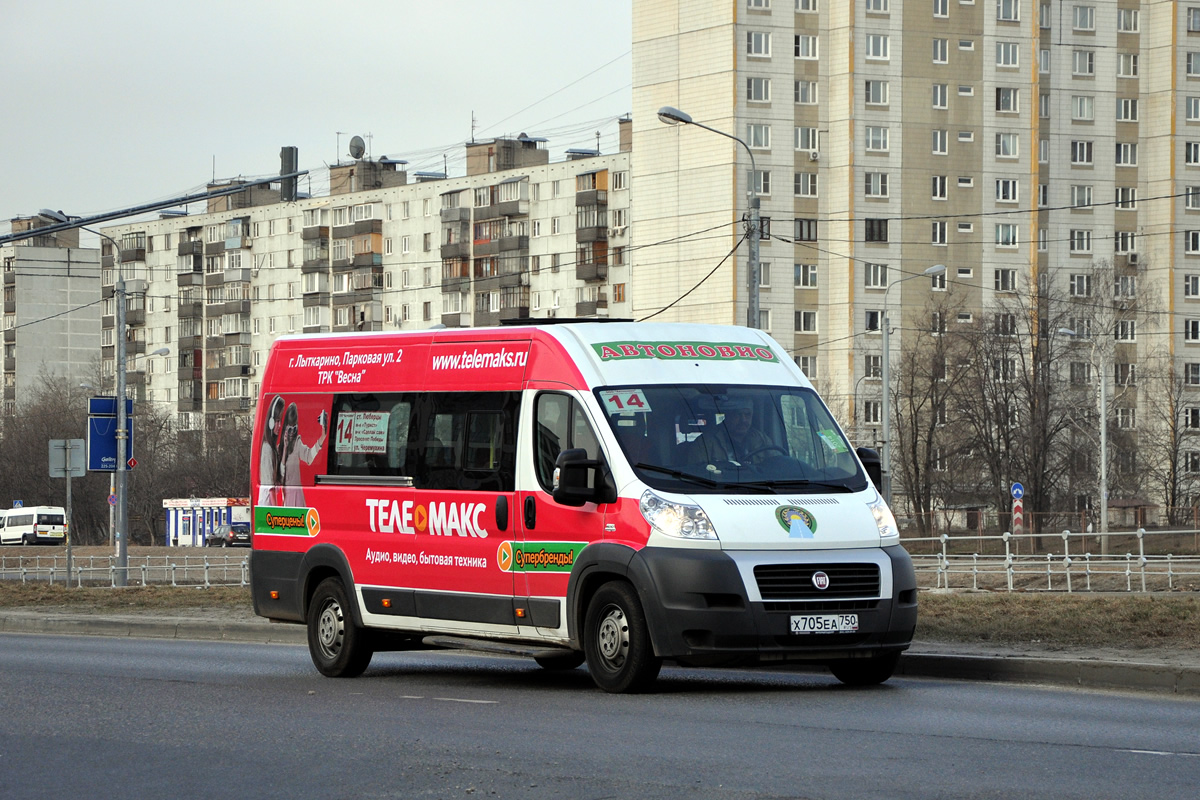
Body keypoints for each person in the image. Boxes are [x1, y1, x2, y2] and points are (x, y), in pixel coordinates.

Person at [690, 397, 773, 466]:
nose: (743, 420)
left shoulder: (762, 440)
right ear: (727, 415)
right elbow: (697, 476)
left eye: (747, 414)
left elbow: (776, 467)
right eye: (737, 414)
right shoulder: (705, 443)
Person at [274, 403, 328, 507]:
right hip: (287, 496)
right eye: (289, 429)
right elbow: (281, 476)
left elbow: (309, 457)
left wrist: (322, 438)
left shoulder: (297, 442)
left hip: (298, 494)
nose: (291, 433)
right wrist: (285, 449)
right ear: (285, 428)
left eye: (294, 429)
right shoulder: (278, 449)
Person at [257, 395, 286, 505]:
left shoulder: (273, 448)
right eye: (277, 421)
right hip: (267, 505)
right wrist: (276, 510)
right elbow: (270, 487)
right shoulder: (267, 449)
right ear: (271, 422)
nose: (279, 425)